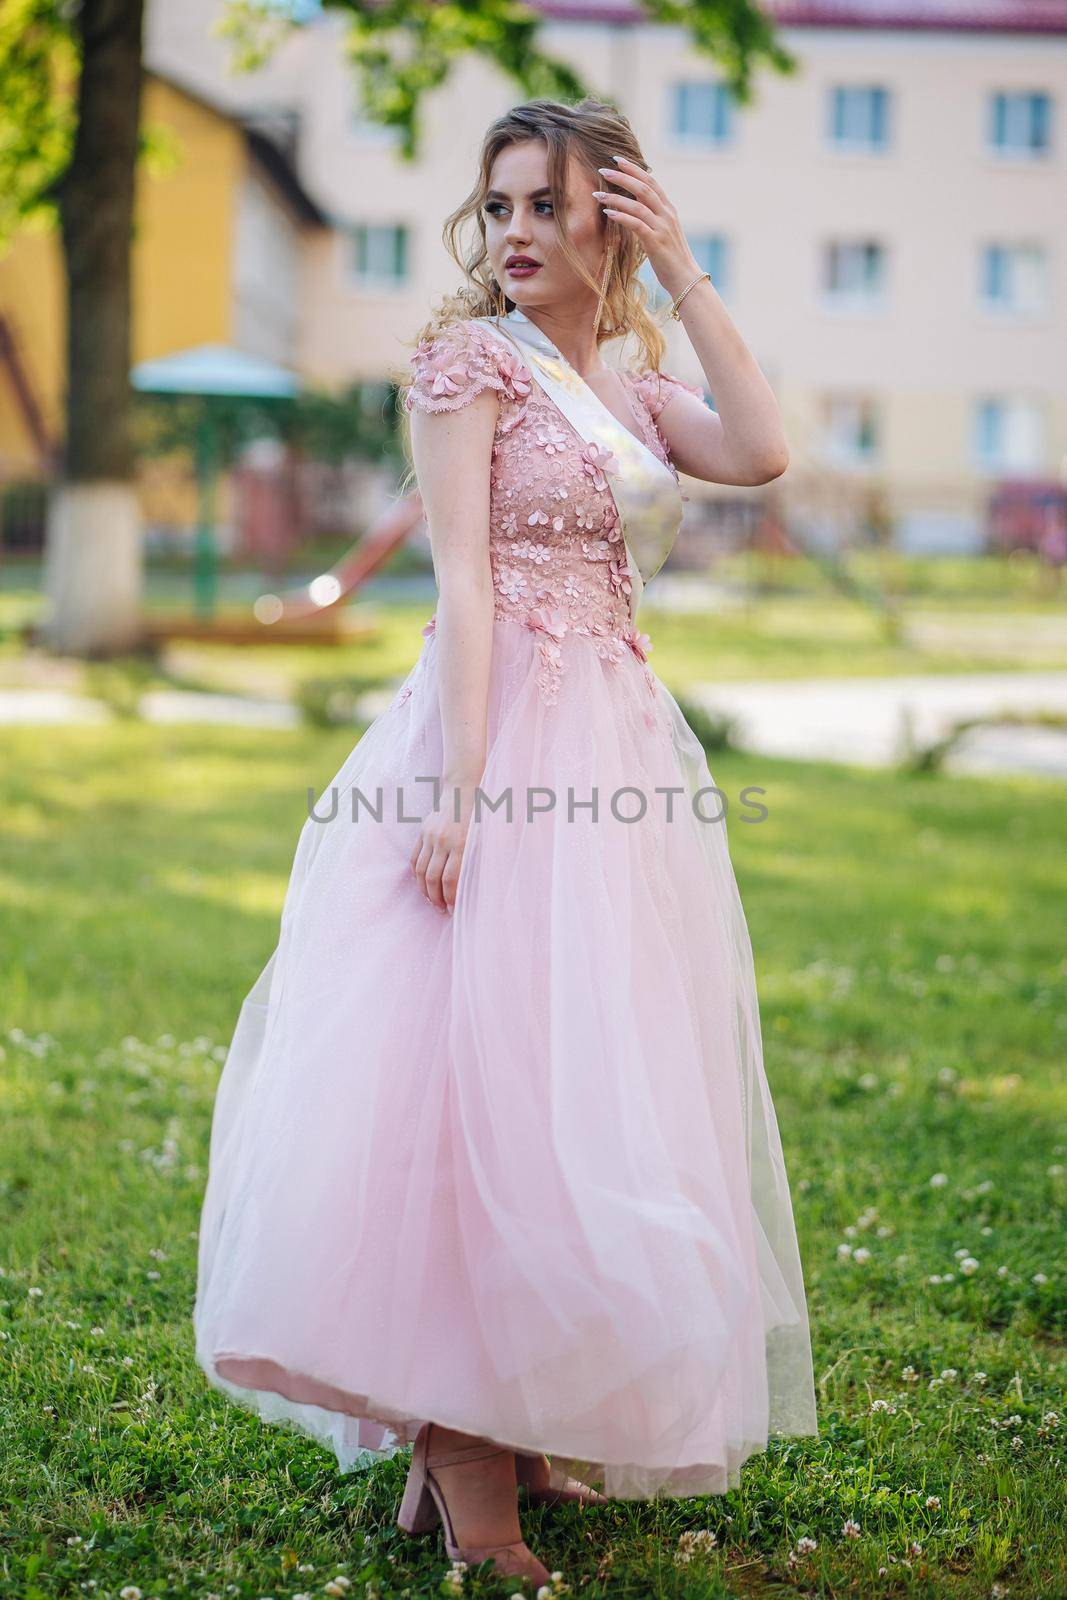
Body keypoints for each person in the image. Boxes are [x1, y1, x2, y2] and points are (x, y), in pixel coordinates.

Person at [192, 96, 818, 1589]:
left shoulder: (639, 386)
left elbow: (767, 451)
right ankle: (463, 1454)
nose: (520, 235)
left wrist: (688, 277)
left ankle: (511, 1419)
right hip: (490, 743)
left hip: (617, 751)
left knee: (577, 1080)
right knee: (455, 1072)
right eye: (502, 207)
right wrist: (462, 789)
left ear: (615, 218)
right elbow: (463, 586)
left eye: (552, 206)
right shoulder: (466, 364)